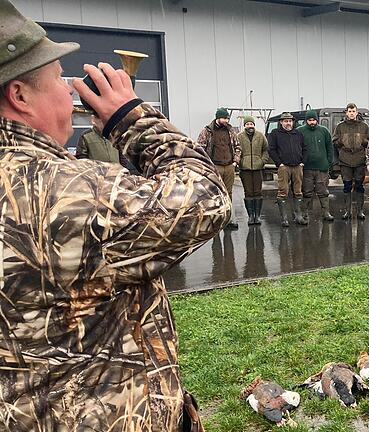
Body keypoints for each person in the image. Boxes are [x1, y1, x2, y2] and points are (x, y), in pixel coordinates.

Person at [0, 1, 227, 429]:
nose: (70, 91)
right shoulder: (61, 190)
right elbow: (207, 197)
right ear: (20, 95)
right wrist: (131, 117)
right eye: (57, 79)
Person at [198, 107, 241, 229]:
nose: (226, 120)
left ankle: (229, 219)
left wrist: (235, 162)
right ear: (218, 118)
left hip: (229, 166)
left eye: (227, 118)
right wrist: (207, 165)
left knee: (229, 193)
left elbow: (238, 146)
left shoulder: (231, 131)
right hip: (215, 166)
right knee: (215, 193)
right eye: (224, 118)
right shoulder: (207, 131)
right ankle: (216, 220)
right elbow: (200, 149)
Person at [332, 102, 369, 220]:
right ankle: (347, 212)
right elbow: (334, 140)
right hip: (345, 160)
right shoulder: (340, 126)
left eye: (353, 111)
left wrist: (364, 142)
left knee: (359, 186)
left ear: (357, 112)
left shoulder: (364, 126)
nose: (351, 113)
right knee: (347, 186)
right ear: (346, 112)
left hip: (360, 160)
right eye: (349, 111)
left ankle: (360, 211)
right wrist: (341, 143)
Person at [268, 111, 307, 227]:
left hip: (297, 166)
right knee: (283, 191)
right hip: (284, 167)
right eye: (285, 121)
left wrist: (302, 162)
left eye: (290, 121)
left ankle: (298, 216)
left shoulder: (298, 134)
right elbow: (271, 149)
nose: (288, 123)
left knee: (298, 191)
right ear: (281, 122)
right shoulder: (275, 133)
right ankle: (284, 218)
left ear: (293, 122)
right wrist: (279, 163)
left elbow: (305, 148)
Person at [298, 109, 334, 221]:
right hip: (306, 168)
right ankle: (304, 214)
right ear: (306, 121)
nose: (312, 122)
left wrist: (328, 162)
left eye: (314, 120)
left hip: (322, 168)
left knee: (323, 191)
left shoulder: (324, 131)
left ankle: (326, 213)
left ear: (317, 120)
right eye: (309, 120)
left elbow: (330, 147)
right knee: (306, 192)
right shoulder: (299, 131)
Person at [237, 115, 269, 225]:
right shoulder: (239, 137)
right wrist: (240, 162)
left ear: (254, 125)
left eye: (251, 124)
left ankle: (257, 216)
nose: (249, 126)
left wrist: (262, 161)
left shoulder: (260, 136)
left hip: (258, 168)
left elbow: (265, 150)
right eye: (247, 124)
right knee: (248, 192)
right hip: (245, 169)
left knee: (258, 192)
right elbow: (236, 150)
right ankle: (251, 216)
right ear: (244, 126)